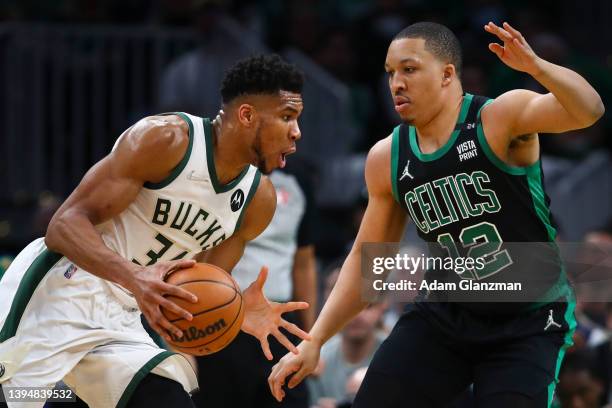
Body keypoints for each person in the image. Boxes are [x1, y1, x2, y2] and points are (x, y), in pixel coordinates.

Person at [269, 21, 605, 407]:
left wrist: (536, 67)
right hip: (445, 315)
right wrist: (315, 341)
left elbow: (589, 110)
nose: (396, 83)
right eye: (390, 73)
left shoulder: (499, 118)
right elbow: (369, 266)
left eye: (409, 69)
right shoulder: (386, 157)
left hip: (528, 319)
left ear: (447, 74)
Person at [0, 54, 310, 408]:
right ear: (246, 115)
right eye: (287, 117)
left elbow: (198, 284)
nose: (297, 132)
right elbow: (63, 225)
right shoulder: (167, 139)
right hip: (56, 297)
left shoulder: (258, 201)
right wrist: (135, 278)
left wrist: (235, 310)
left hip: (122, 321)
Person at [192, 157, 318, 408]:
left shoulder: (298, 180)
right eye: (285, 117)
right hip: (223, 317)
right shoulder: (214, 175)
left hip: (280, 318)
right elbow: (195, 256)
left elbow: (304, 264)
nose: (295, 133)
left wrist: (311, 338)